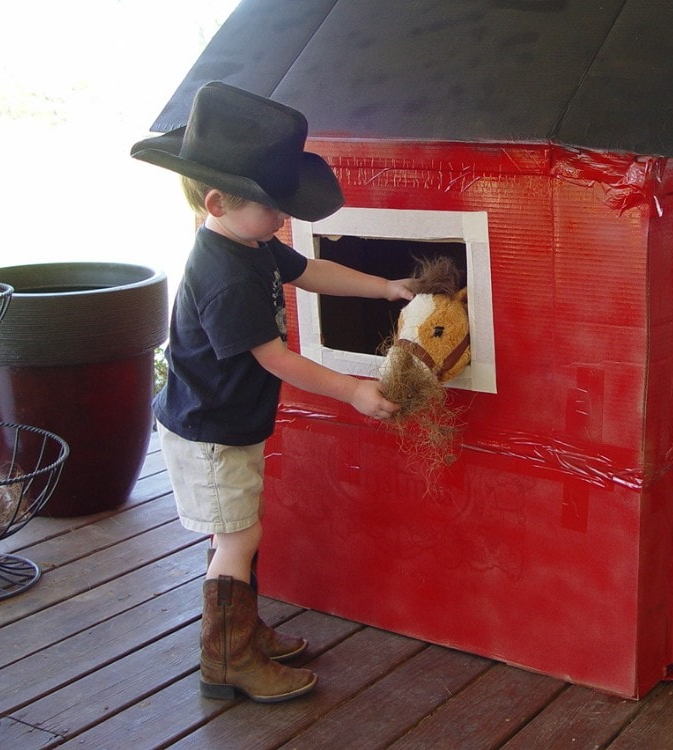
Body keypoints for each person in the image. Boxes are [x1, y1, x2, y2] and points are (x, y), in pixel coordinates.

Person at [130, 81, 414, 703]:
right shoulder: (223, 276)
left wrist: (383, 287)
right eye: (269, 205)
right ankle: (226, 659)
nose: (282, 217)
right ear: (217, 201)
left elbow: (310, 270)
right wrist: (353, 390)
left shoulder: (251, 244)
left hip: (230, 422)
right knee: (238, 537)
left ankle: (242, 632)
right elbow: (277, 359)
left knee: (237, 532)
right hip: (209, 431)